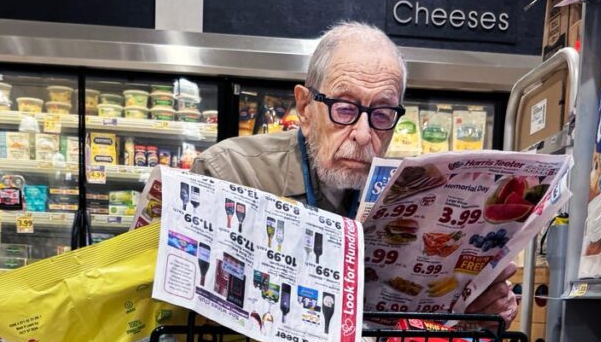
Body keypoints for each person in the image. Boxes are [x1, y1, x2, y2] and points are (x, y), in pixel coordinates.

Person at [191, 21, 518, 324]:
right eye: (345, 108)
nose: (363, 134)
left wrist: (472, 316)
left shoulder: (405, 192)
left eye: (381, 113)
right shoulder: (230, 171)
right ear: (305, 109)